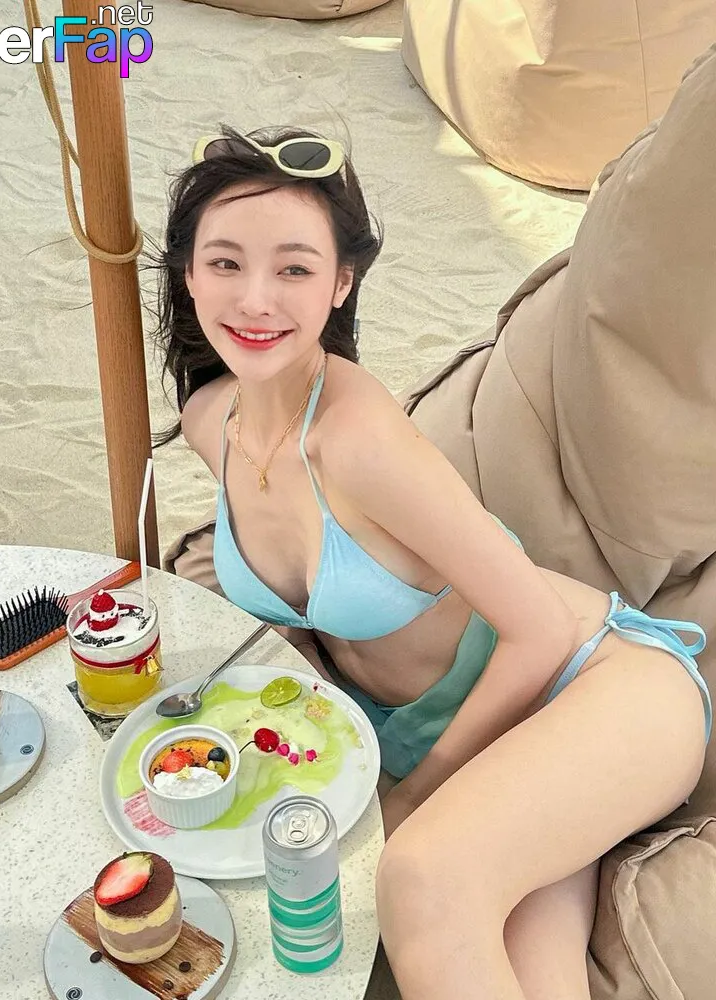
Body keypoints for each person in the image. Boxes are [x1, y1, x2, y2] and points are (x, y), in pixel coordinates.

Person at [149, 125, 711, 999]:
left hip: (592, 688)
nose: (256, 300)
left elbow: (535, 628)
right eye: (226, 263)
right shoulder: (209, 421)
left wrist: (415, 797)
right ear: (188, 273)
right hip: (497, 742)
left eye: (294, 268)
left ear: (341, 283)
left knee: (418, 879)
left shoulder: (361, 439)